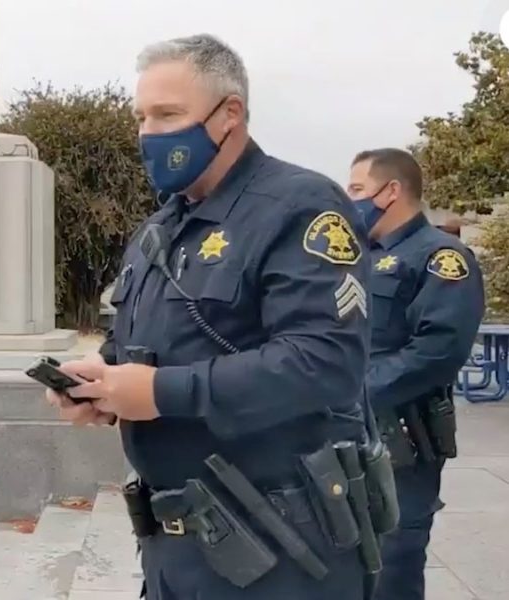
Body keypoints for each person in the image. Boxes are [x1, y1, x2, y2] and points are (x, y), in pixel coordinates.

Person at [46, 34, 373, 599]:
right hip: (176, 547)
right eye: (141, 117)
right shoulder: (160, 230)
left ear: (230, 115)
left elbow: (326, 361)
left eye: (169, 114)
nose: (150, 133)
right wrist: (100, 380)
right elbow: (141, 344)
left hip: (280, 550)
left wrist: (160, 393)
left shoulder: (298, 207)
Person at [346, 148, 484, 600]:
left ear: (391, 192)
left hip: (400, 441)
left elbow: (438, 351)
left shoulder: (441, 257)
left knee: (392, 568)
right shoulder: (355, 257)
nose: (350, 201)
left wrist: (353, 392)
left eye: (357, 190)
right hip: (339, 438)